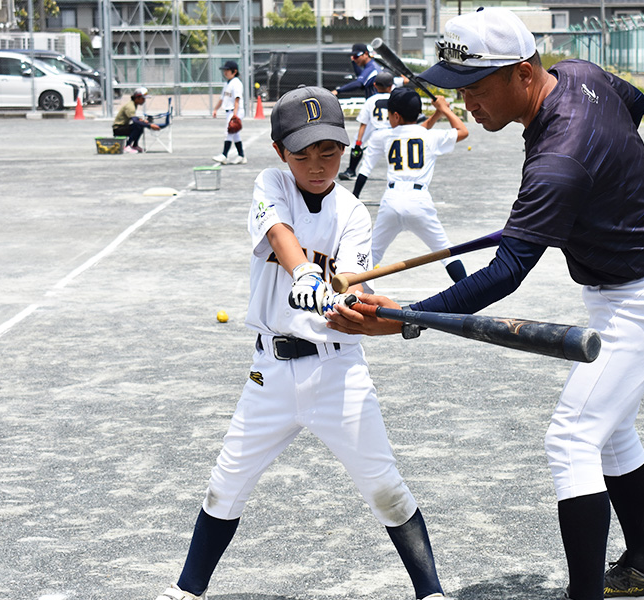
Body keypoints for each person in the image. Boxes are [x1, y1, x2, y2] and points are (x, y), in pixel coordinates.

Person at [327, 7, 644, 600]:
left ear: (523, 73)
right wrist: (603, 189)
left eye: (475, 87)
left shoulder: (559, 159)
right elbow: (633, 108)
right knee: (611, 426)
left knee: (571, 438)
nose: (467, 102)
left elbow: (507, 272)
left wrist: (404, 318)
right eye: (459, 89)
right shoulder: (580, 74)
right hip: (622, 284)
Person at [154, 85, 450, 600]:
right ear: (280, 153)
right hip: (269, 374)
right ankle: (185, 593)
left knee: (386, 489)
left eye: (329, 151)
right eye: (303, 153)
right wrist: (306, 275)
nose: (317, 164)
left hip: (338, 372)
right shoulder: (271, 183)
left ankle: (431, 593)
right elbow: (279, 234)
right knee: (225, 486)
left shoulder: (354, 212)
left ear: (344, 148)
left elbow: (355, 284)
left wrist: (374, 310)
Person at [351, 87, 469, 283]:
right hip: (419, 201)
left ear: (396, 116)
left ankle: (347, 295)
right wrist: (445, 110)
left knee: (372, 254)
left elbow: (414, 130)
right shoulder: (430, 136)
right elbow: (462, 131)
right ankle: (469, 294)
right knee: (446, 252)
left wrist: (437, 113)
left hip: (391, 199)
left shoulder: (384, 136)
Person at [339, 71, 396, 180]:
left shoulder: (370, 100)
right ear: (391, 86)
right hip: (393, 132)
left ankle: (351, 171)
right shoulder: (396, 99)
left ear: (374, 85)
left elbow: (363, 124)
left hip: (376, 132)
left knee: (367, 163)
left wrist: (358, 143)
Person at [212, 60, 246, 165]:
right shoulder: (227, 83)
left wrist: (235, 115)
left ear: (234, 71)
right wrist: (215, 109)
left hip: (235, 111)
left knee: (229, 133)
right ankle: (241, 156)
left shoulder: (236, 83)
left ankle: (224, 155)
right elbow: (222, 98)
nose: (225, 72)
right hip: (229, 111)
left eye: (227, 70)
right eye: (224, 70)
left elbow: (237, 99)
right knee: (235, 135)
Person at [112, 87, 160, 154]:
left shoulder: (134, 104)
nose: (144, 101)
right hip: (118, 129)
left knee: (140, 124)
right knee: (138, 125)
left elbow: (134, 118)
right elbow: (135, 121)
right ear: (137, 98)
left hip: (123, 127)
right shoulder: (130, 106)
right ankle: (128, 146)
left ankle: (135, 145)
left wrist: (141, 120)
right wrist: (150, 125)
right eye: (143, 99)